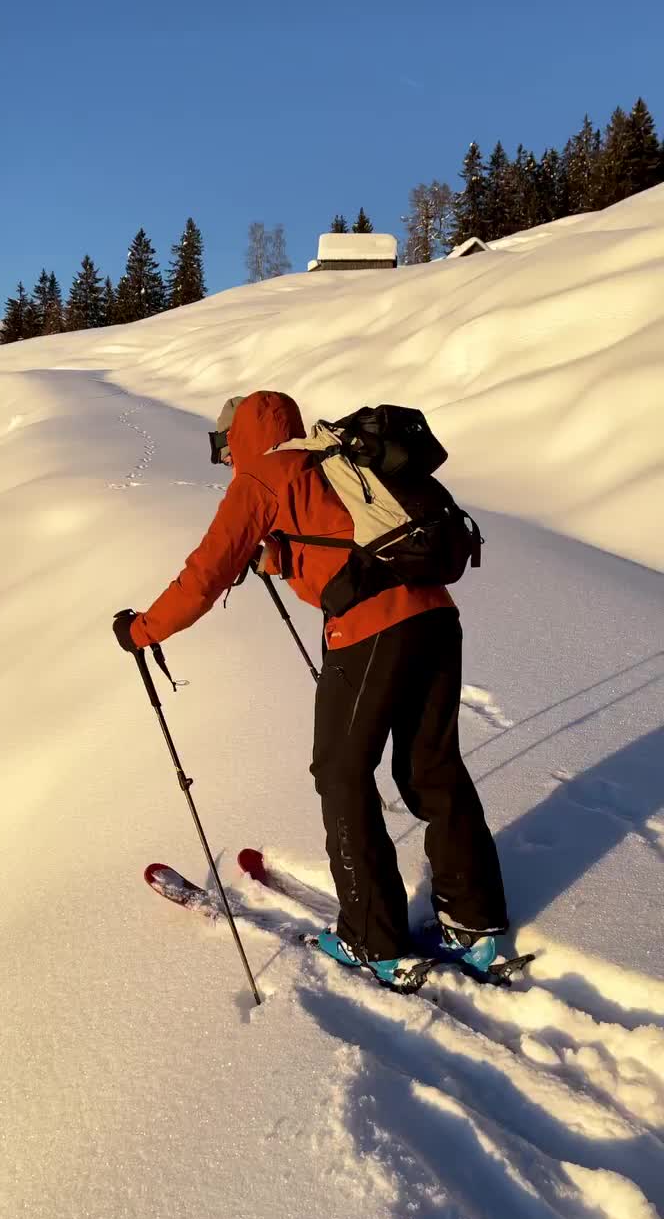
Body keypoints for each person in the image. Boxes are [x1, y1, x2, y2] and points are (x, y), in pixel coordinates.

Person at [114, 390, 508, 988]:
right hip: (436, 616)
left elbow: (205, 574)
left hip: (371, 631)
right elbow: (342, 540)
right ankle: (472, 923)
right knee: (431, 767)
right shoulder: (330, 456)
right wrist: (280, 560)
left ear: (241, 438)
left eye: (226, 449)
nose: (225, 463)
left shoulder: (265, 475)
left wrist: (143, 630)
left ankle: (373, 939)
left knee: (342, 773)